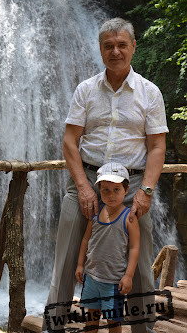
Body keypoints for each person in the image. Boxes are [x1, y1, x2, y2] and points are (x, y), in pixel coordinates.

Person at [43, 17, 168, 333]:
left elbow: (156, 146)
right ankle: (53, 329)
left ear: (133, 47)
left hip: (133, 185)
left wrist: (146, 191)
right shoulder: (86, 90)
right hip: (87, 182)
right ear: (100, 49)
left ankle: (143, 330)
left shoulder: (149, 93)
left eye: (122, 45)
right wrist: (84, 188)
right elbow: (70, 141)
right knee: (66, 259)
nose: (115, 51)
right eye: (108, 46)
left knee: (140, 266)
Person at [75, 162, 140, 333]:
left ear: (126, 190)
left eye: (116, 190)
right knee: (91, 319)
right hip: (91, 277)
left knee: (113, 322)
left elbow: (134, 248)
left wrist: (129, 276)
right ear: (99, 190)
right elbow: (85, 240)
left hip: (113, 282)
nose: (111, 195)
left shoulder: (129, 218)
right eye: (106, 190)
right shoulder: (96, 213)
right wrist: (80, 265)